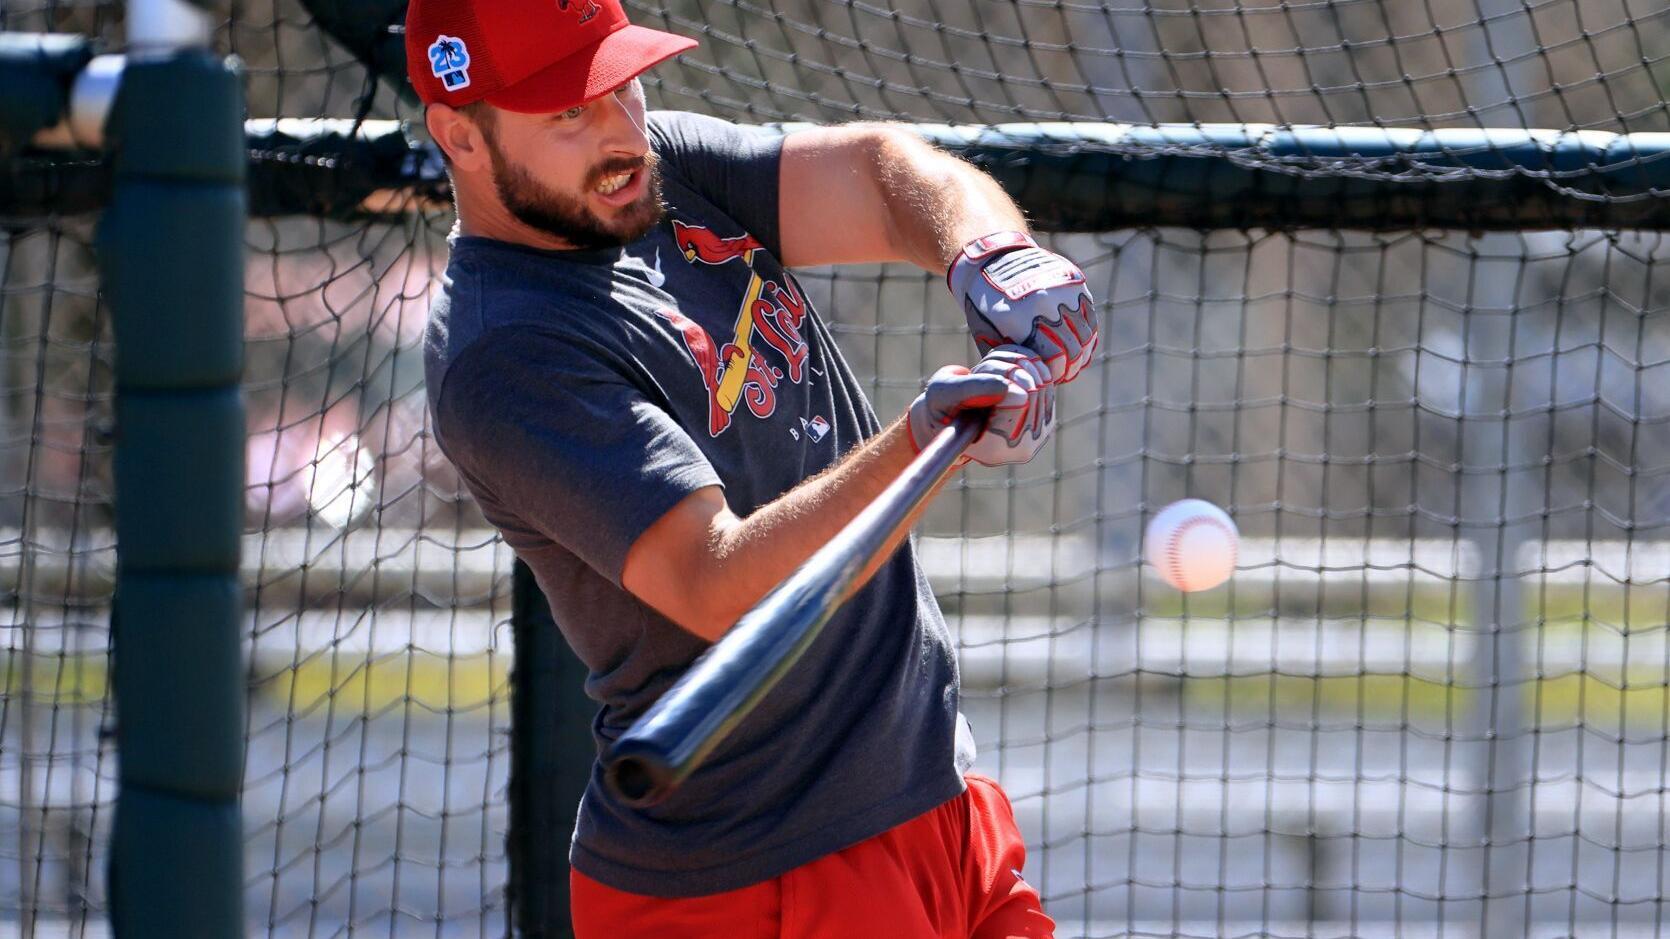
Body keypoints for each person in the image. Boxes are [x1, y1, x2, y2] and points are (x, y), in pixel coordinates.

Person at [406, 0, 1098, 935]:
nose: (619, 130)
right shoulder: (504, 351)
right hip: (757, 874)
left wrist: (989, 256)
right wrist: (926, 437)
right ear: (461, 136)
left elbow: (878, 171)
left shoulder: (658, 174)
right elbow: (714, 580)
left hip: (928, 796)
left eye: (622, 84)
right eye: (568, 111)